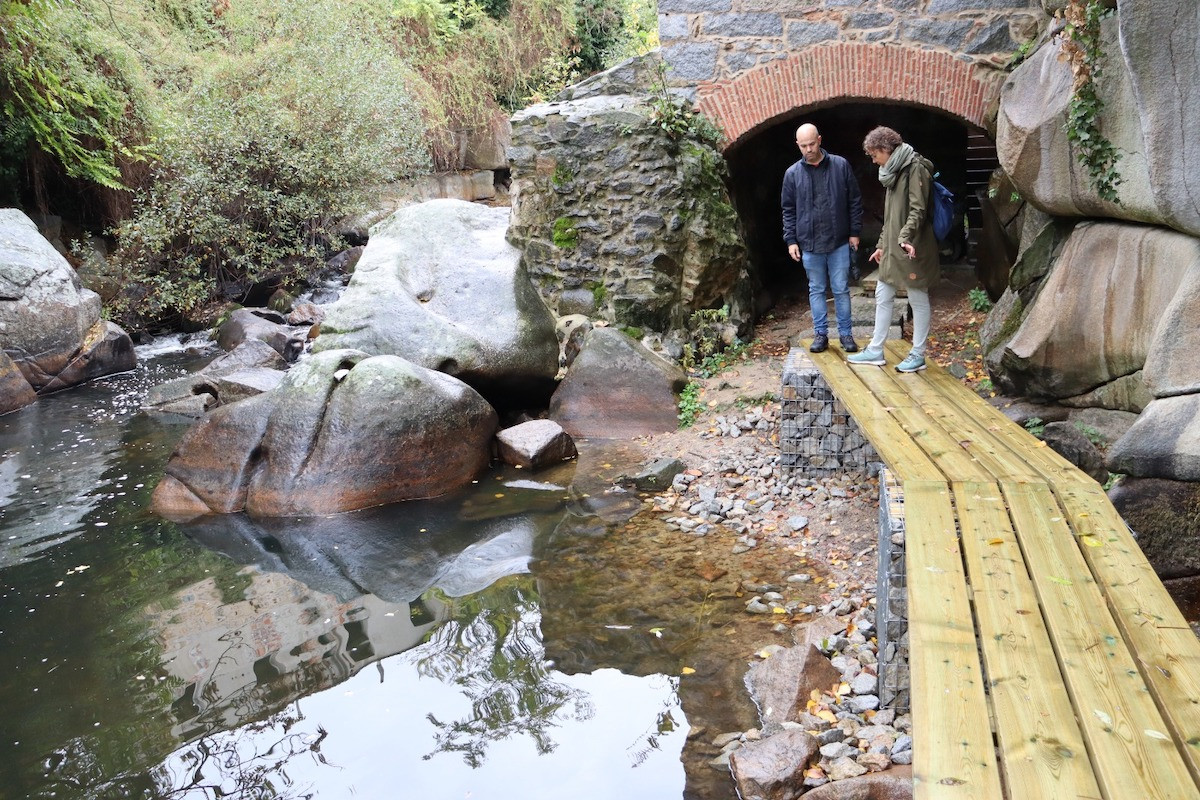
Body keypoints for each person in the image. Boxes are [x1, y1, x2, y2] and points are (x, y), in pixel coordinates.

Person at [848, 126, 940, 373]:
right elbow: (891, 217)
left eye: (874, 154)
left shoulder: (915, 168)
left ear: (885, 149)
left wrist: (905, 237)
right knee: (882, 294)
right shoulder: (891, 171)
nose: (873, 159)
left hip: (912, 245)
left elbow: (917, 210)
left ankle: (918, 354)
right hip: (893, 245)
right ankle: (876, 350)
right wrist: (881, 245)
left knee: (917, 298)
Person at [781, 123, 863, 354]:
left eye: (812, 144)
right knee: (816, 289)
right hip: (809, 243)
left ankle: (846, 335)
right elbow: (788, 210)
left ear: (820, 139)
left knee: (841, 289)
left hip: (838, 241)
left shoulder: (840, 166)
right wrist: (791, 240)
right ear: (798, 145)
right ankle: (820, 335)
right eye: (803, 146)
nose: (808, 149)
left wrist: (855, 232)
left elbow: (854, 201)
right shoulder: (792, 174)